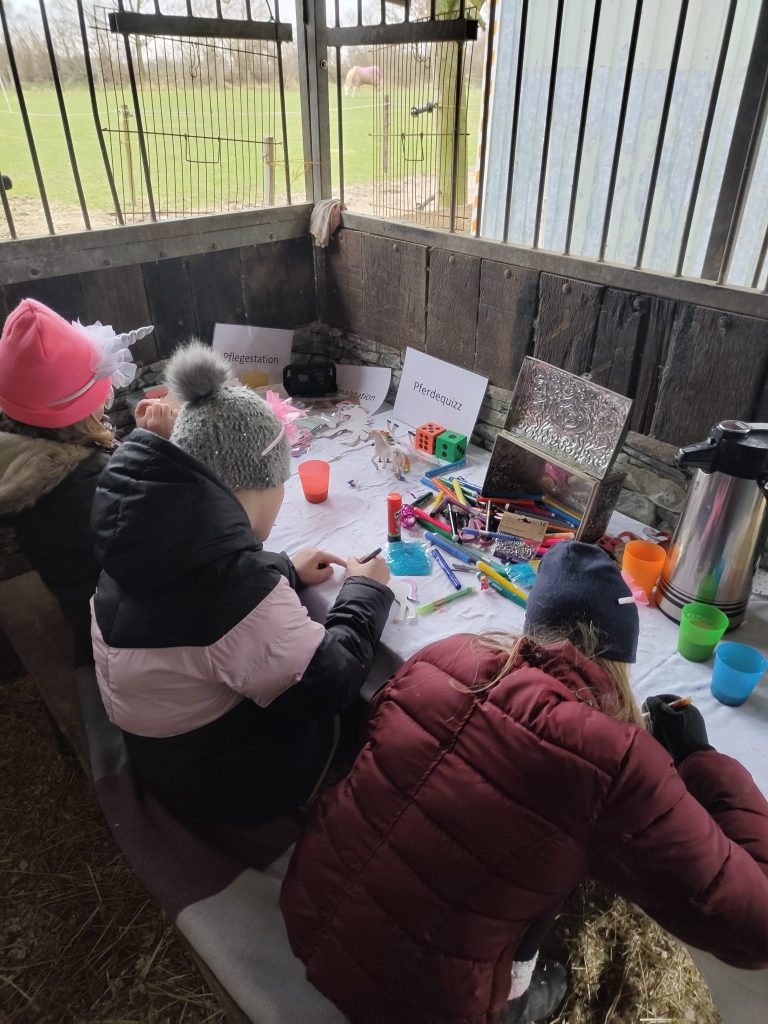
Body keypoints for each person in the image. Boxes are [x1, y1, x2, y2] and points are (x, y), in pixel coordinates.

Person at [280, 542, 768, 1024]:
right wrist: (700, 760)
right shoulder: (613, 760)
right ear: (620, 659)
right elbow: (754, 929)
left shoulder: (444, 657)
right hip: (420, 1001)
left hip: (308, 906)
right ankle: (514, 998)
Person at [89, 341, 394, 824]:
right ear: (257, 484)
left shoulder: (141, 533)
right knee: (364, 705)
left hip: (165, 753)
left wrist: (284, 570)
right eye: (281, 483)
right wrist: (367, 592)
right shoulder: (233, 595)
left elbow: (203, 593)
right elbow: (329, 682)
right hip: (225, 785)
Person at [0, 298, 175, 666]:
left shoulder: (24, 449)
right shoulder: (82, 480)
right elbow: (150, 533)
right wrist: (155, 445)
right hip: (119, 625)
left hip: (81, 596)